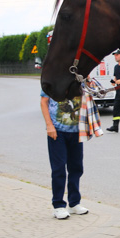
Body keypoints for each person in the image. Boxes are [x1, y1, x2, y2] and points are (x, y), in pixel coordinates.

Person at [40, 89, 89, 219]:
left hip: (76, 130)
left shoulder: (79, 78)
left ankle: (74, 203)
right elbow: (44, 102)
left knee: (76, 168)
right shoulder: (53, 78)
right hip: (57, 131)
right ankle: (58, 206)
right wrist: (49, 125)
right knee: (59, 169)